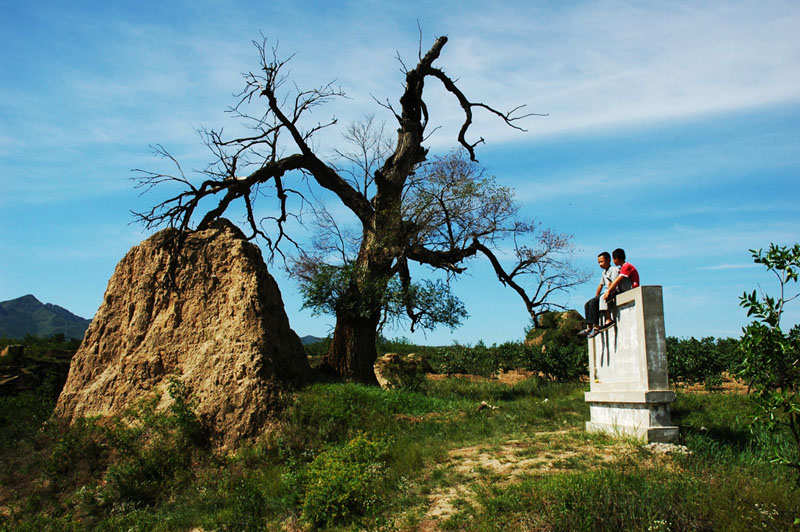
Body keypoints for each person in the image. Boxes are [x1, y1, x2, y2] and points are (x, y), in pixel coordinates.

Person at [578, 252, 619, 338]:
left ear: (608, 260)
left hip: (612, 292)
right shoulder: (604, 273)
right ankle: (589, 327)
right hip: (606, 292)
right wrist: (596, 296)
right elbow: (600, 285)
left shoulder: (614, 269)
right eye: (599, 262)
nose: (600, 264)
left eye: (602, 261)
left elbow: (615, 283)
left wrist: (608, 292)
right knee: (587, 304)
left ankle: (596, 327)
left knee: (593, 303)